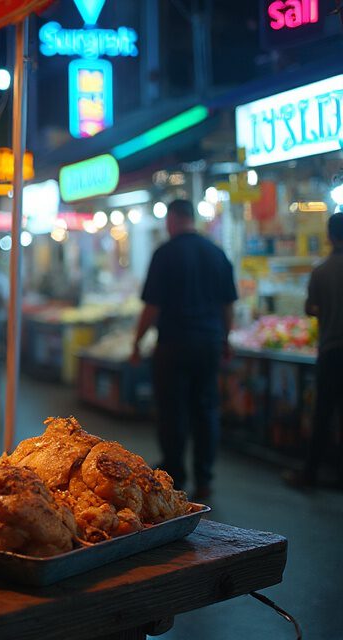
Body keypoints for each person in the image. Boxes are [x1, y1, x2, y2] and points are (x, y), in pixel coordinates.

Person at [131, 199, 237, 500]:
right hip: (208, 343)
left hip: (174, 344)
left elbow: (152, 307)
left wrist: (136, 343)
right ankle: (204, 478)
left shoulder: (165, 253)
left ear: (174, 219)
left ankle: (175, 473)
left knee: (171, 411)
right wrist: (226, 340)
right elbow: (227, 305)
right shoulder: (217, 253)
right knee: (205, 409)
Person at [284, 213, 343, 489]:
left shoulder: (321, 270)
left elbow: (310, 308)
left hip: (331, 351)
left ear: (329, 236)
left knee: (323, 414)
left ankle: (310, 473)